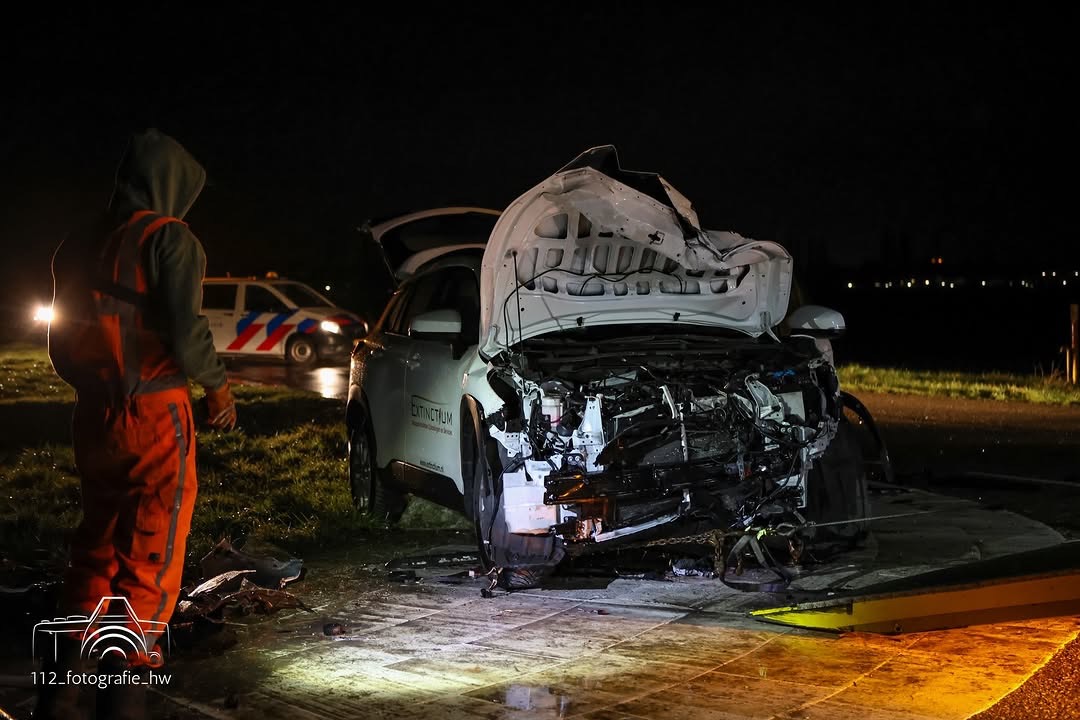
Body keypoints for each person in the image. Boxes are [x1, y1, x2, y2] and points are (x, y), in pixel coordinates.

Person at [37, 128, 236, 720]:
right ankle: (124, 695)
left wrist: (97, 387)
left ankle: (63, 689)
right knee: (152, 547)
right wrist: (218, 388)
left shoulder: (77, 242)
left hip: (93, 415)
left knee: (96, 545)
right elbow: (186, 330)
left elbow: (59, 340)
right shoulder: (169, 238)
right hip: (154, 414)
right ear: (171, 185)